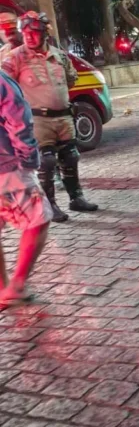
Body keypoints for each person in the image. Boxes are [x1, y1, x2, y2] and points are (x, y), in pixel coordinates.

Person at [2, 11, 98, 222]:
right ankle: (51, 205)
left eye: (34, 32)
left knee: (71, 157)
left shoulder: (60, 55)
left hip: (64, 117)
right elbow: (5, 87)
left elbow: (70, 79)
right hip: (37, 120)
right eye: (25, 32)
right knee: (46, 162)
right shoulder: (15, 57)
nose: (28, 36)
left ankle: (76, 198)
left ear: (45, 33)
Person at [0, 69, 51, 308]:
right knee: (38, 219)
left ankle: (3, 287)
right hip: (8, 169)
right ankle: (16, 286)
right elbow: (19, 123)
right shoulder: (2, 82)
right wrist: (29, 161)